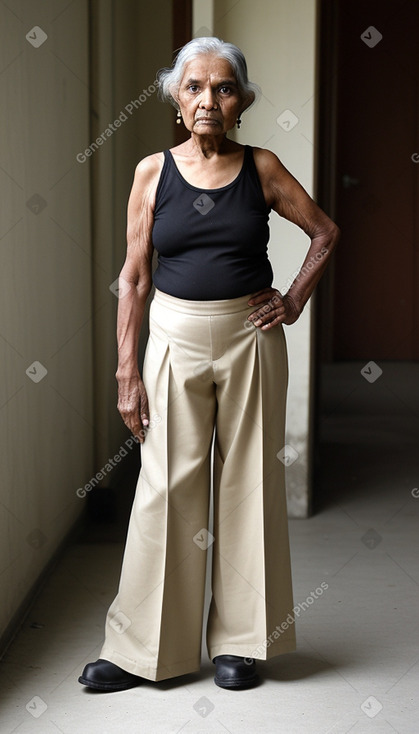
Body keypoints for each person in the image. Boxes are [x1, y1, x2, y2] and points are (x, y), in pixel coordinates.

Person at [78, 36, 339, 692]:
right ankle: (144, 651)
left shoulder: (262, 167)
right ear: (175, 96)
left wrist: (293, 299)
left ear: (241, 101)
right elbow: (134, 278)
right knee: (165, 488)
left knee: (248, 481)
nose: (208, 100)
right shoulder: (151, 172)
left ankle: (243, 645)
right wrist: (125, 372)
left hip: (250, 335)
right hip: (172, 335)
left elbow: (324, 232)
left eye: (223, 88)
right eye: (194, 86)